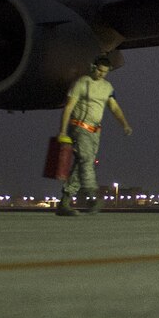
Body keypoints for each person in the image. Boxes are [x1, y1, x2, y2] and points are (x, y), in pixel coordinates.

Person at [55, 57, 131, 215]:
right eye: (99, 70)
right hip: (79, 127)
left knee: (81, 164)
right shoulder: (82, 83)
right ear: (93, 67)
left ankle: (65, 202)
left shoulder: (107, 87)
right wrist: (62, 131)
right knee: (86, 160)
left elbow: (114, 108)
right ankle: (92, 196)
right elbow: (69, 107)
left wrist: (124, 124)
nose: (101, 74)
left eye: (105, 72)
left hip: (95, 131)